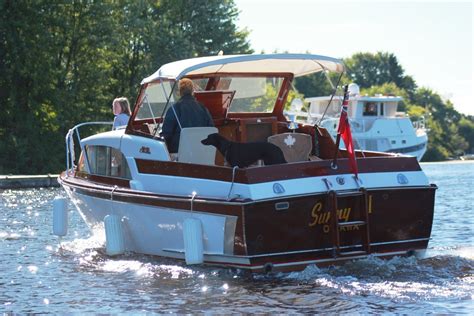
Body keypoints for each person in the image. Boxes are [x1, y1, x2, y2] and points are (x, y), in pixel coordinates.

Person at [161, 78, 214, 153]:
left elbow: (166, 135)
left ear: (180, 92)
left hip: (179, 155)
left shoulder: (174, 109)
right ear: (193, 91)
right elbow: (211, 130)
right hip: (201, 153)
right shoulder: (203, 109)